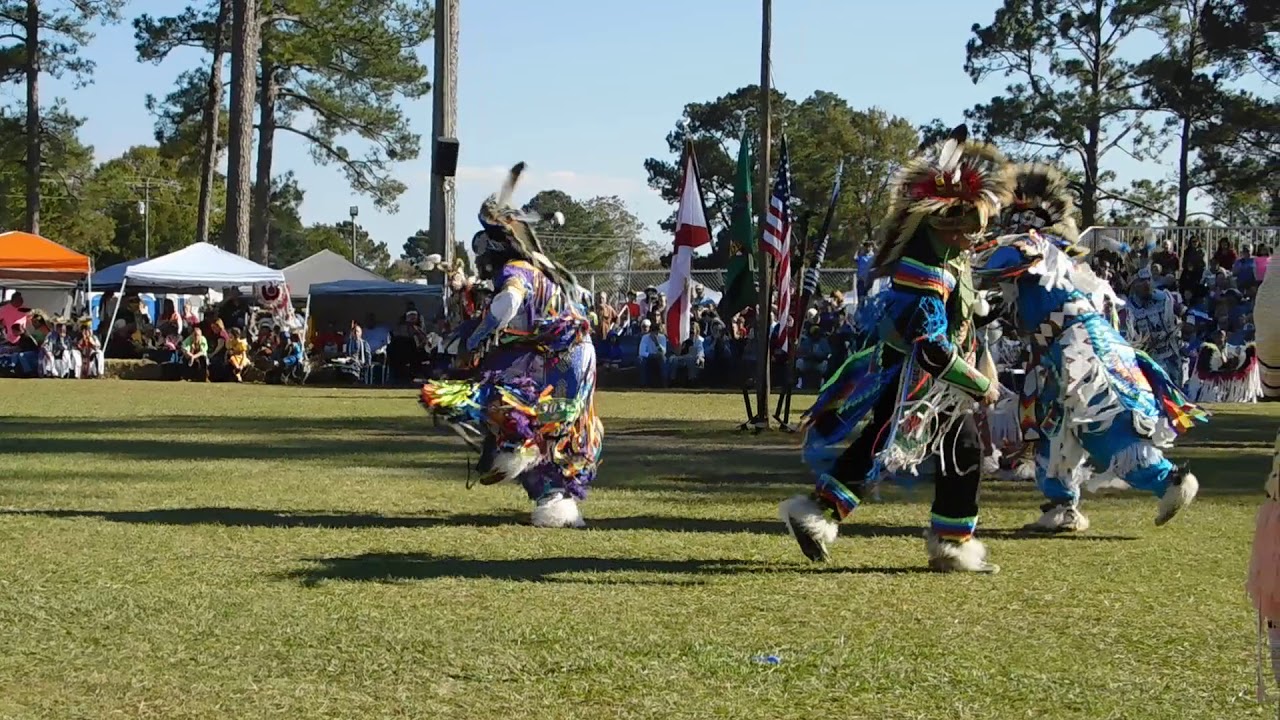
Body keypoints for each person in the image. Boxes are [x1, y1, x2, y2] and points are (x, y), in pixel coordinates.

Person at [780, 125, 1007, 573]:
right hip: (919, 382)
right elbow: (933, 349)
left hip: (926, 384)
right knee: (898, 444)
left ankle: (945, 541)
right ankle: (824, 514)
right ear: (945, 224)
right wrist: (979, 382)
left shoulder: (945, 263)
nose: (976, 240)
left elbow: (950, 322)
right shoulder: (924, 274)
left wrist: (979, 316)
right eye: (970, 229)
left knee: (946, 448)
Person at [976, 171, 1205, 534]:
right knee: (1053, 428)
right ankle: (1062, 506)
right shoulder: (1037, 270)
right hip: (1055, 353)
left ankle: (1170, 480)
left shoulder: (1033, 246)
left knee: (1101, 425)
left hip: (1080, 349)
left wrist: (958, 264)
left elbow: (995, 262)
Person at [419, 162, 603, 528]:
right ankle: (554, 501)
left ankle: (517, 455)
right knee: (544, 426)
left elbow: (508, 305)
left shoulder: (516, 270)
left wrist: (477, 336)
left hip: (562, 357)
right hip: (558, 354)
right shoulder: (539, 268)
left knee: (531, 420)